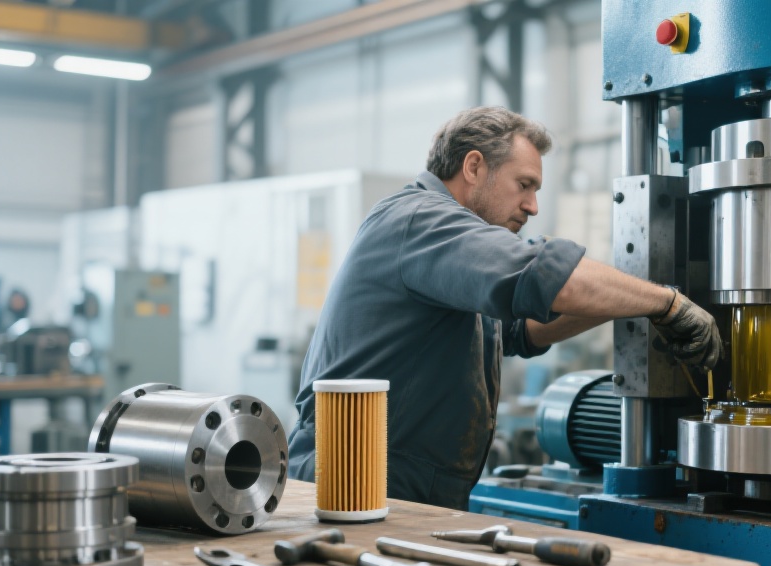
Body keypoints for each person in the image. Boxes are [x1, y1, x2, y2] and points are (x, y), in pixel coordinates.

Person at [288, 106, 720, 510]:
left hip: (402, 482)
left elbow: (523, 329)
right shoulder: (420, 219)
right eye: (524, 184)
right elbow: (539, 275)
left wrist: (629, 299)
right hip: (354, 474)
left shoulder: (454, 255)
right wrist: (668, 304)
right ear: (474, 167)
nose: (532, 206)